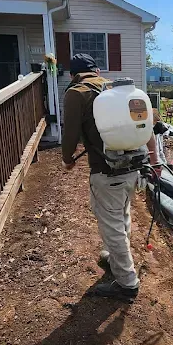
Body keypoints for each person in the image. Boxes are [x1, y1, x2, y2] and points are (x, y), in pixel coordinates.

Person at [61, 53, 161, 302]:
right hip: (134, 168)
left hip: (107, 171)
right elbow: (146, 124)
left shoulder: (77, 93)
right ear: (96, 71)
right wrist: (155, 160)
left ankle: (127, 283)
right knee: (122, 213)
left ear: (73, 74)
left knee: (111, 225)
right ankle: (116, 258)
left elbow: (70, 133)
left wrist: (67, 159)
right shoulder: (118, 91)